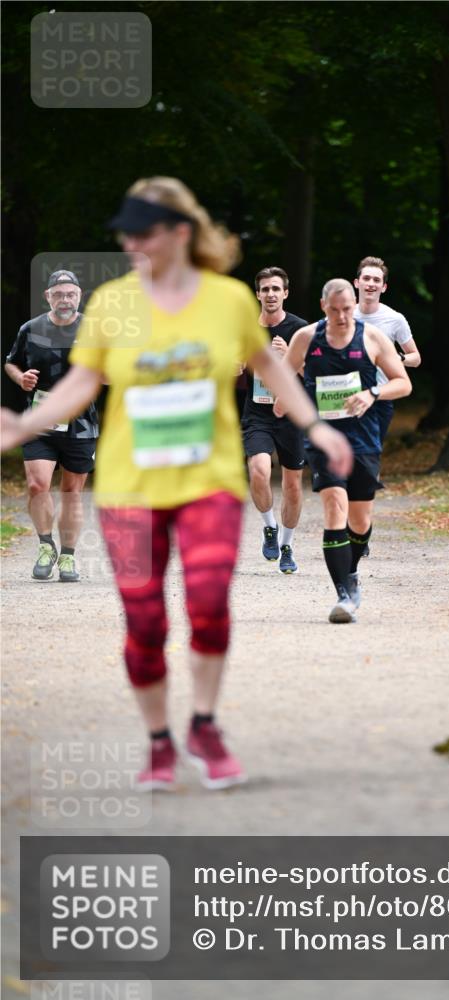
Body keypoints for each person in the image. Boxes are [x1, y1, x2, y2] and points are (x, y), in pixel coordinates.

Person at [0, 177, 352, 791]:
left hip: (207, 481)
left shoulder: (226, 301)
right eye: (127, 231)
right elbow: (86, 380)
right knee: (145, 622)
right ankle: (160, 742)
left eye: (144, 230)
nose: (131, 241)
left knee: (210, 604)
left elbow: (274, 369)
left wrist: (316, 427)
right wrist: (24, 424)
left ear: (181, 233)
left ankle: (206, 727)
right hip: (132, 487)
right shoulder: (111, 303)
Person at [279, 278, 412, 623]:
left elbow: (403, 383)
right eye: (334, 310)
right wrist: (285, 401)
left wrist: (372, 395)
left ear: (354, 305)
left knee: (360, 520)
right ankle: (344, 595)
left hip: (363, 439)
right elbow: (282, 377)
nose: (341, 316)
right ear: (324, 307)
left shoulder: (371, 337)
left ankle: (350, 571)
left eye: (347, 309)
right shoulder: (307, 338)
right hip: (324, 440)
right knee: (333, 507)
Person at [4, 269, 98, 583]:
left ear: (79, 296)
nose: (64, 299)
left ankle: (68, 557)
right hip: (41, 419)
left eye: (70, 294)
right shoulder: (31, 329)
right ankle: (46, 546)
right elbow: (10, 361)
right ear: (48, 297)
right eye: (58, 294)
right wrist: (21, 377)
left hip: (81, 423)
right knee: (36, 484)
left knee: (72, 492)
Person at [241, 267, 308, 573]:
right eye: (265, 289)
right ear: (258, 294)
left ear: (285, 293)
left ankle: (287, 545)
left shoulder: (299, 330)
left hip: (291, 413)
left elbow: (314, 376)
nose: (270, 294)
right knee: (258, 470)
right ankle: (269, 527)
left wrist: (289, 359)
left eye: (275, 289)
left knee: (293, 486)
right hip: (258, 412)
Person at [353, 256, 421, 444]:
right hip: (345, 396)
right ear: (357, 283)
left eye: (377, 280)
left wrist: (397, 358)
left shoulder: (394, 319)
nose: (371, 284)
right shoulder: (343, 315)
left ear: (383, 287)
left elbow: (416, 358)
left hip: (379, 399)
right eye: (366, 278)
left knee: (368, 460)